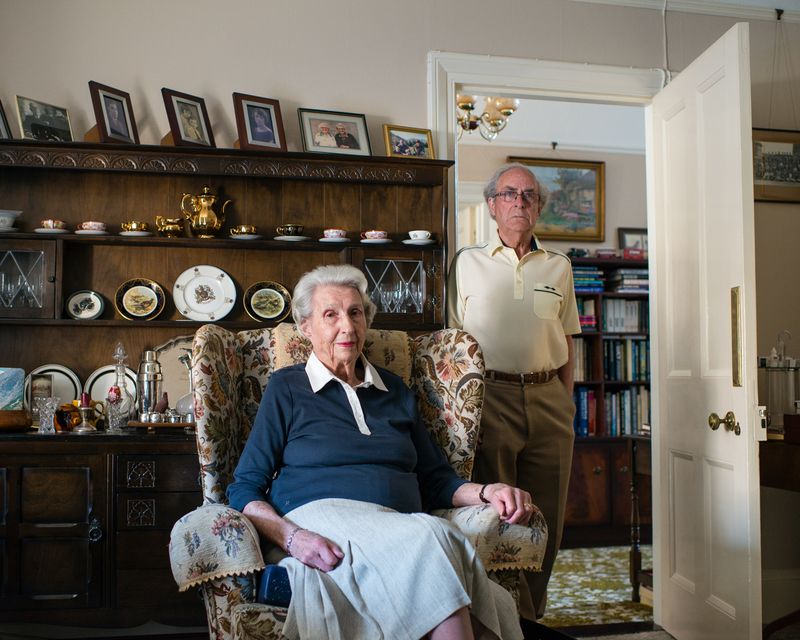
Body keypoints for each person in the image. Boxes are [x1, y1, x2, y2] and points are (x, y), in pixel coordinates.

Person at [227, 263, 532, 640]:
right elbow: (244, 488)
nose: (347, 326)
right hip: (322, 521)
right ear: (306, 327)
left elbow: (437, 480)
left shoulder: (394, 390)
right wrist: (291, 537)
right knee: (435, 539)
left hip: (399, 529)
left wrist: (489, 492)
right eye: (330, 315)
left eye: (355, 312)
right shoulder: (287, 388)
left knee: (450, 554)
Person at [446, 162, 581, 625]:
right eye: (509, 194)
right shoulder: (466, 262)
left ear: (538, 207)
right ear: (491, 205)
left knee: (548, 517)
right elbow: (450, 343)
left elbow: (568, 342)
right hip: (490, 397)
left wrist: (566, 402)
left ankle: (531, 617)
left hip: (548, 401)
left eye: (528, 195)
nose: (519, 202)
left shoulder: (559, 266)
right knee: (501, 514)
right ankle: (506, 616)